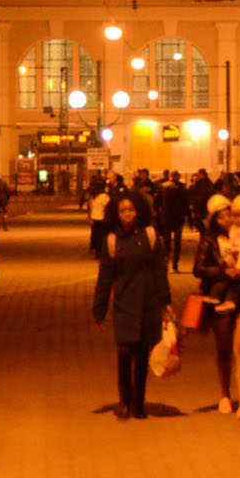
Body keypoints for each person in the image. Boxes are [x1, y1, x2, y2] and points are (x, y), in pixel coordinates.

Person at [92, 195, 170, 421]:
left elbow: (159, 271)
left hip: (147, 302)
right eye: (123, 210)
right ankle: (124, 400)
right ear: (115, 214)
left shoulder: (150, 235)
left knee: (142, 355)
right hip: (124, 302)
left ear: (139, 211)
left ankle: (138, 402)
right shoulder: (111, 240)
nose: (127, 214)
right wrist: (99, 308)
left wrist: (165, 301)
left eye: (131, 210)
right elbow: (105, 276)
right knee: (124, 353)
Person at [193, 194, 240, 420]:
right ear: (213, 219)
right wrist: (224, 270)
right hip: (219, 299)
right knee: (223, 350)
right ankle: (225, 395)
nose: (226, 220)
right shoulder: (209, 239)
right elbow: (198, 269)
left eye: (228, 215)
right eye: (221, 217)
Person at [157, 172, 190, 273]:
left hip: (167, 218)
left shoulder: (163, 188)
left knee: (166, 243)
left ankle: (166, 263)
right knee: (177, 243)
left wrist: (160, 215)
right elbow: (186, 204)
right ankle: (175, 265)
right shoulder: (182, 188)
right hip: (178, 219)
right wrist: (189, 219)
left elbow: (156, 203)